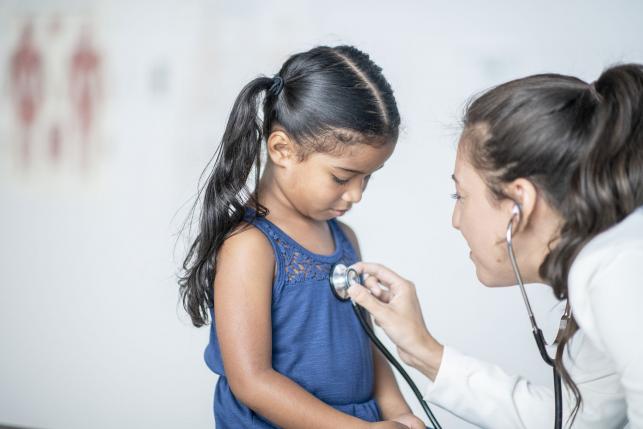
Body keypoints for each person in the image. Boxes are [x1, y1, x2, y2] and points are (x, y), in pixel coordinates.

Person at [348, 63, 643, 428]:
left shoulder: (616, 268)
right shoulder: (612, 264)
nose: (455, 220)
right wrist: (422, 348)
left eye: (461, 194)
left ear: (519, 203)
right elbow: (577, 420)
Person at [179, 45, 423, 429]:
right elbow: (252, 382)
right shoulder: (250, 247)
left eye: (367, 178)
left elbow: (367, 346)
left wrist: (401, 415)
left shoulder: (344, 238)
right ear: (282, 150)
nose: (357, 194)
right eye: (342, 178)